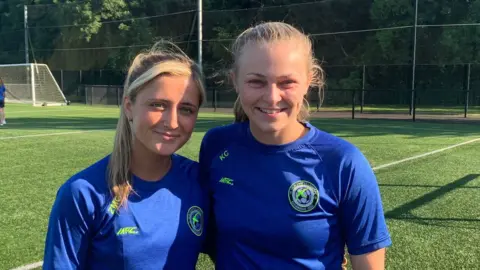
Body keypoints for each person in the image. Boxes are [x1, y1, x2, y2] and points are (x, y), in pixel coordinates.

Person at [199, 22, 391, 269]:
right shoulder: (216, 146)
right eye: (256, 82)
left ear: (309, 81)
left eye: (286, 82)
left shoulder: (343, 162)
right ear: (235, 81)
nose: (271, 97)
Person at [43, 41, 209, 269]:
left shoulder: (200, 180)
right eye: (158, 105)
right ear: (129, 106)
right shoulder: (83, 193)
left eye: (186, 109)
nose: (172, 122)